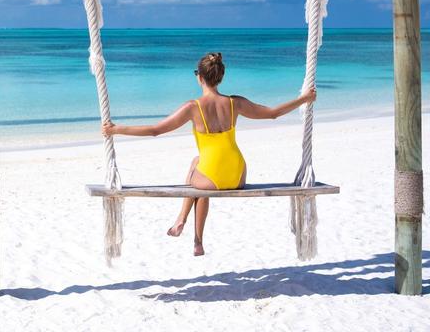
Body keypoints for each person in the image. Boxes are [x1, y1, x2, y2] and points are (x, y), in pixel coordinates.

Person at [102, 52, 316, 257]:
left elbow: (156, 130)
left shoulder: (192, 107)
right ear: (219, 78)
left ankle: (183, 223)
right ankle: (196, 240)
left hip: (212, 176)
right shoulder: (235, 103)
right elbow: (273, 114)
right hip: (237, 174)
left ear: (200, 78)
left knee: (197, 172)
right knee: (199, 167)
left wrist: (116, 129)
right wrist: (304, 98)